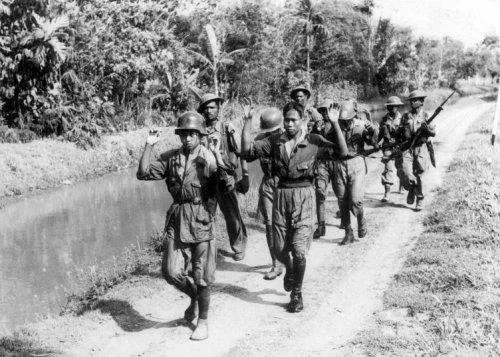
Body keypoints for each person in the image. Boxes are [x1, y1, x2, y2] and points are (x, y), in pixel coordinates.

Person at [241, 101, 348, 313]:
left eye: (294, 120)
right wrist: (247, 121)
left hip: (304, 197)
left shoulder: (314, 141)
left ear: (303, 121)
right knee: (280, 250)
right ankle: (288, 268)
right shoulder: (274, 141)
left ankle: (297, 293)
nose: (289, 124)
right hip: (281, 196)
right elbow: (246, 152)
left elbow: (342, 152)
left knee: (299, 251)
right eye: (287, 120)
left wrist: (335, 124)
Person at [136, 112, 233, 341]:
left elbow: (227, 184)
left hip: (201, 218)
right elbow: (143, 173)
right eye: (184, 134)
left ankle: (203, 321)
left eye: (192, 134)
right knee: (170, 272)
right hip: (178, 217)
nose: (187, 138)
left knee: (203, 277)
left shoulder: (208, 157)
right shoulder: (171, 158)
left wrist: (218, 155)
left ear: (200, 135)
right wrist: (149, 145)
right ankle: (195, 299)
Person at [197, 93, 248, 261]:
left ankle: (238, 246)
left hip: (225, 176)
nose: (208, 111)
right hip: (206, 179)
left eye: (212, 107)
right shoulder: (199, 130)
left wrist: (243, 175)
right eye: (205, 108)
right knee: (205, 216)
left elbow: (239, 152)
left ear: (219, 109)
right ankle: (205, 250)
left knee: (232, 215)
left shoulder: (227, 127)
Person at [243, 107, 284, 280]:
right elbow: (246, 153)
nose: (271, 134)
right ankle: (276, 263)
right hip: (268, 183)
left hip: (286, 184)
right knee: (269, 225)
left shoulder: (288, 138)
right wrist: (247, 121)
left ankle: (288, 256)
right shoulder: (260, 139)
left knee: (286, 224)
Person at [333, 100, 379, 245]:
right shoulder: (334, 126)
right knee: (342, 200)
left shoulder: (361, 125)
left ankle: (360, 219)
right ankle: (348, 233)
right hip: (339, 164)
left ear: (353, 116)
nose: (345, 123)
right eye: (342, 120)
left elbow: (373, 143)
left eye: (348, 120)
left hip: (356, 161)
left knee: (356, 199)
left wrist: (374, 130)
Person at [399, 90, 436, 211]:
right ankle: (412, 188)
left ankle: (419, 198)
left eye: (415, 100)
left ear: (421, 102)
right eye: (411, 100)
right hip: (408, 147)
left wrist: (426, 130)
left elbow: (433, 133)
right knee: (405, 171)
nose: (412, 102)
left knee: (420, 173)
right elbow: (400, 133)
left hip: (421, 147)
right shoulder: (405, 116)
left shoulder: (426, 115)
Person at [379, 96, 405, 202]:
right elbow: (380, 134)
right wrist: (375, 143)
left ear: (398, 107)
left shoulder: (403, 118)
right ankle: (387, 192)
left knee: (401, 167)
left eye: (394, 106)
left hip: (399, 147)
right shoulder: (384, 119)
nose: (392, 108)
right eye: (390, 107)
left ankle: (402, 185)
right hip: (387, 147)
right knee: (388, 168)